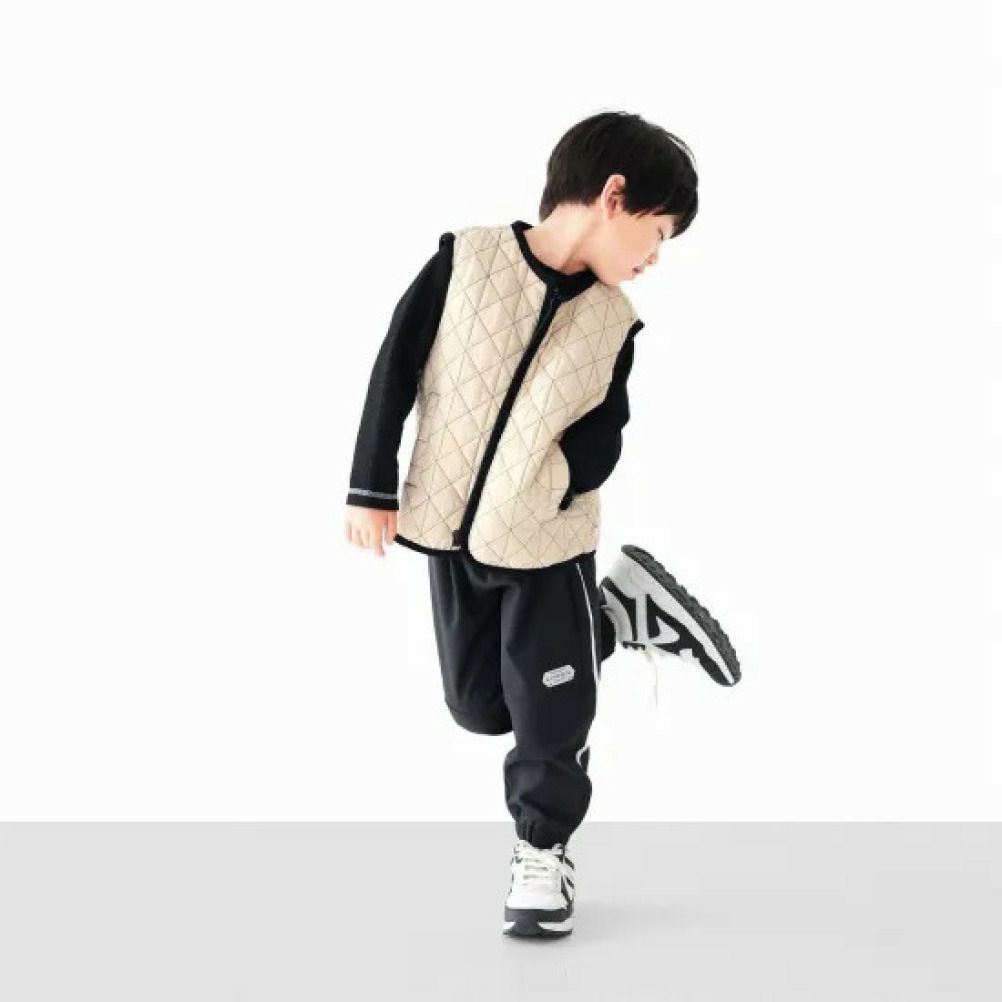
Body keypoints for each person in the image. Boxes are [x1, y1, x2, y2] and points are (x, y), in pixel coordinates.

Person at [343, 111, 741, 939]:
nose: (655, 258)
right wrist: (369, 485)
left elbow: (604, 433)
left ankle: (541, 850)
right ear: (613, 195)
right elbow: (395, 365)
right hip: (447, 529)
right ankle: (620, 614)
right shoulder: (468, 259)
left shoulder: (613, 319)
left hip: (548, 542)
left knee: (547, 715)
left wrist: (554, 483)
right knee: (479, 707)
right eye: (657, 233)